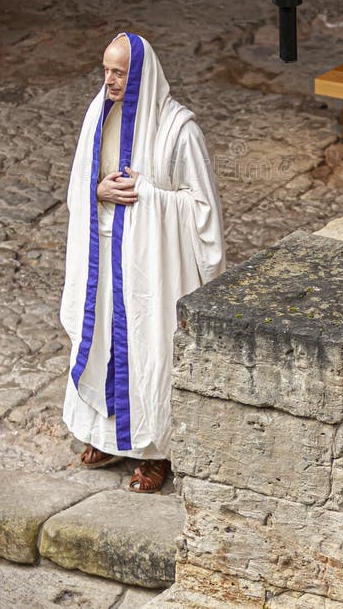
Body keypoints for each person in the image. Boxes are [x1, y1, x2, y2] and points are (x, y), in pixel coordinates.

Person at [60, 32, 225, 493]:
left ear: (140, 76)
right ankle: (105, 435)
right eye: (105, 71)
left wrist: (148, 197)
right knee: (101, 342)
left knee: (148, 349)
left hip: (152, 266)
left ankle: (154, 452)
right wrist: (98, 191)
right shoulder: (98, 115)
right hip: (102, 255)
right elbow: (79, 182)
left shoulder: (180, 132)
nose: (108, 81)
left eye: (118, 73)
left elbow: (203, 209)